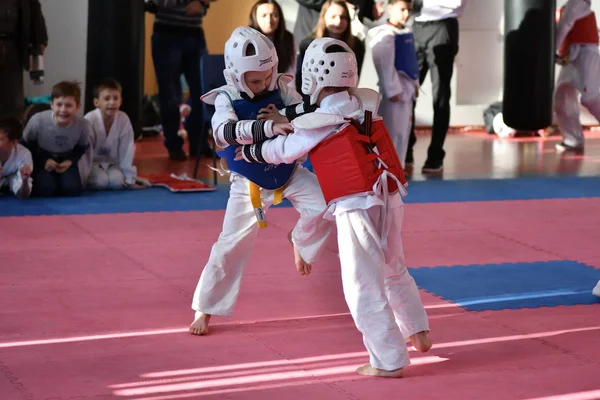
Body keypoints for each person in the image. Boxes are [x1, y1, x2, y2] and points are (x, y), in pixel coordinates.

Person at [236, 37, 431, 378]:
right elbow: (306, 114)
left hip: (356, 203)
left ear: (311, 78)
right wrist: (284, 117)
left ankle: (387, 361)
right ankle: (417, 330)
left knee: (361, 282)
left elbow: (285, 150)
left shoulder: (322, 120)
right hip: (389, 193)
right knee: (393, 266)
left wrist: (250, 153)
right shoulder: (361, 104)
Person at [189, 27, 333, 336]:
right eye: (255, 80)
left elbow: (306, 114)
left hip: (288, 173)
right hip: (249, 183)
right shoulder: (225, 99)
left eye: (267, 75)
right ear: (236, 76)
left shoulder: (281, 89)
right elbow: (224, 132)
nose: (263, 83)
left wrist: (287, 118)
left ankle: (300, 241)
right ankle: (205, 307)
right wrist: (266, 128)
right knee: (230, 246)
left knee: (325, 204)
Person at [145, 0, 218, 161]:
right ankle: (173, 144)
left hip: (194, 32)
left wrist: (202, 3)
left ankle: (199, 144)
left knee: (204, 90)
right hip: (166, 32)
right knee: (169, 93)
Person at [406, 0, 468, 173]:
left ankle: (435, 155)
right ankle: (406, 150)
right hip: (416, 26)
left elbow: (455, 3)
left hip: (443, 26)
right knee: (406, 91)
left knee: (440, 96)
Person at [367, 0, 418, 167]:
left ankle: (399, 167)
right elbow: (384, 65)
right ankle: (388, 168)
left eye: (408, 10)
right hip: (395, 94)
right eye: (402, 9)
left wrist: (415, 84)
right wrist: (392, 89)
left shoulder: (404, 32)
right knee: (392, 133)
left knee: (403, 134)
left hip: (407, 91)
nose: (406, 14)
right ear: (390, 8)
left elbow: (411, 62)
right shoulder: (383, 34)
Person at [21, 81, 91, 197]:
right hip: (41, 156)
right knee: (45, 189)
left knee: (72, 189)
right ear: (52, 104)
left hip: (66, 158)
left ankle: (61, 180)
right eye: (59, 105)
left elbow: (81, 147)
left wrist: (70, 161)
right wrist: (44, 161)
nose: (63, 110)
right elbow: (25, 144)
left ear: (77, 106)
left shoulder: (83, 125)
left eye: (68, 105)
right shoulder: (38, 120)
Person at [553, 0, 600, 152]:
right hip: (572, 57)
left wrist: (551, 51)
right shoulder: (569, 6)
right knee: (562, 98)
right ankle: (572, 139)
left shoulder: (578, 3)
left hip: (586, 55)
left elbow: (565, 25)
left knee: (590, 98)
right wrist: (560, 55)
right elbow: (567, 33)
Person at [83, 78, 145, 190]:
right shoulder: (90, 119)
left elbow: (127, 149)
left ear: (120, 101)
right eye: (107, 99)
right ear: (96, 102)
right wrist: (82, 175)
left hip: (113, 164)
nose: (112, 102)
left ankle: (123, 178)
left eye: (115, 98)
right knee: (101, 182)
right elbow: (84, 150)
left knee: (117, 183)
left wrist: (129, 179)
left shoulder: (123, 119)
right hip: (93, 164)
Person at [296, 0, 366, 96]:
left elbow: (354, 79)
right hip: (311, 99)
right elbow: (301, 78)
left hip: (343, 99)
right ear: (323, 18)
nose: (338, 21)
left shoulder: (357, 45)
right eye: (333, 17)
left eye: (343, 17)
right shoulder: (307, 44)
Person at [0, 0, 48, 118]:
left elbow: (35, 14)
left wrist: (39, 42)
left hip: (12, 47)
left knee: (12, 100)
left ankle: (10, 134)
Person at [249, 0, 296, 83]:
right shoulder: (247, 39)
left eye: (274, 15)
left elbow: (291, 74)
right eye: (264, 15)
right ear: (255, 18)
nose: (269, 20)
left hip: (281, 89)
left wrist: (289, 94)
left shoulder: (288, 38)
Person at [0, 115, 32, 198]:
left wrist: (24, 182)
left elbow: (24, 195)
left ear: (14, 142)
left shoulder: (24, 154)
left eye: (0, 139)